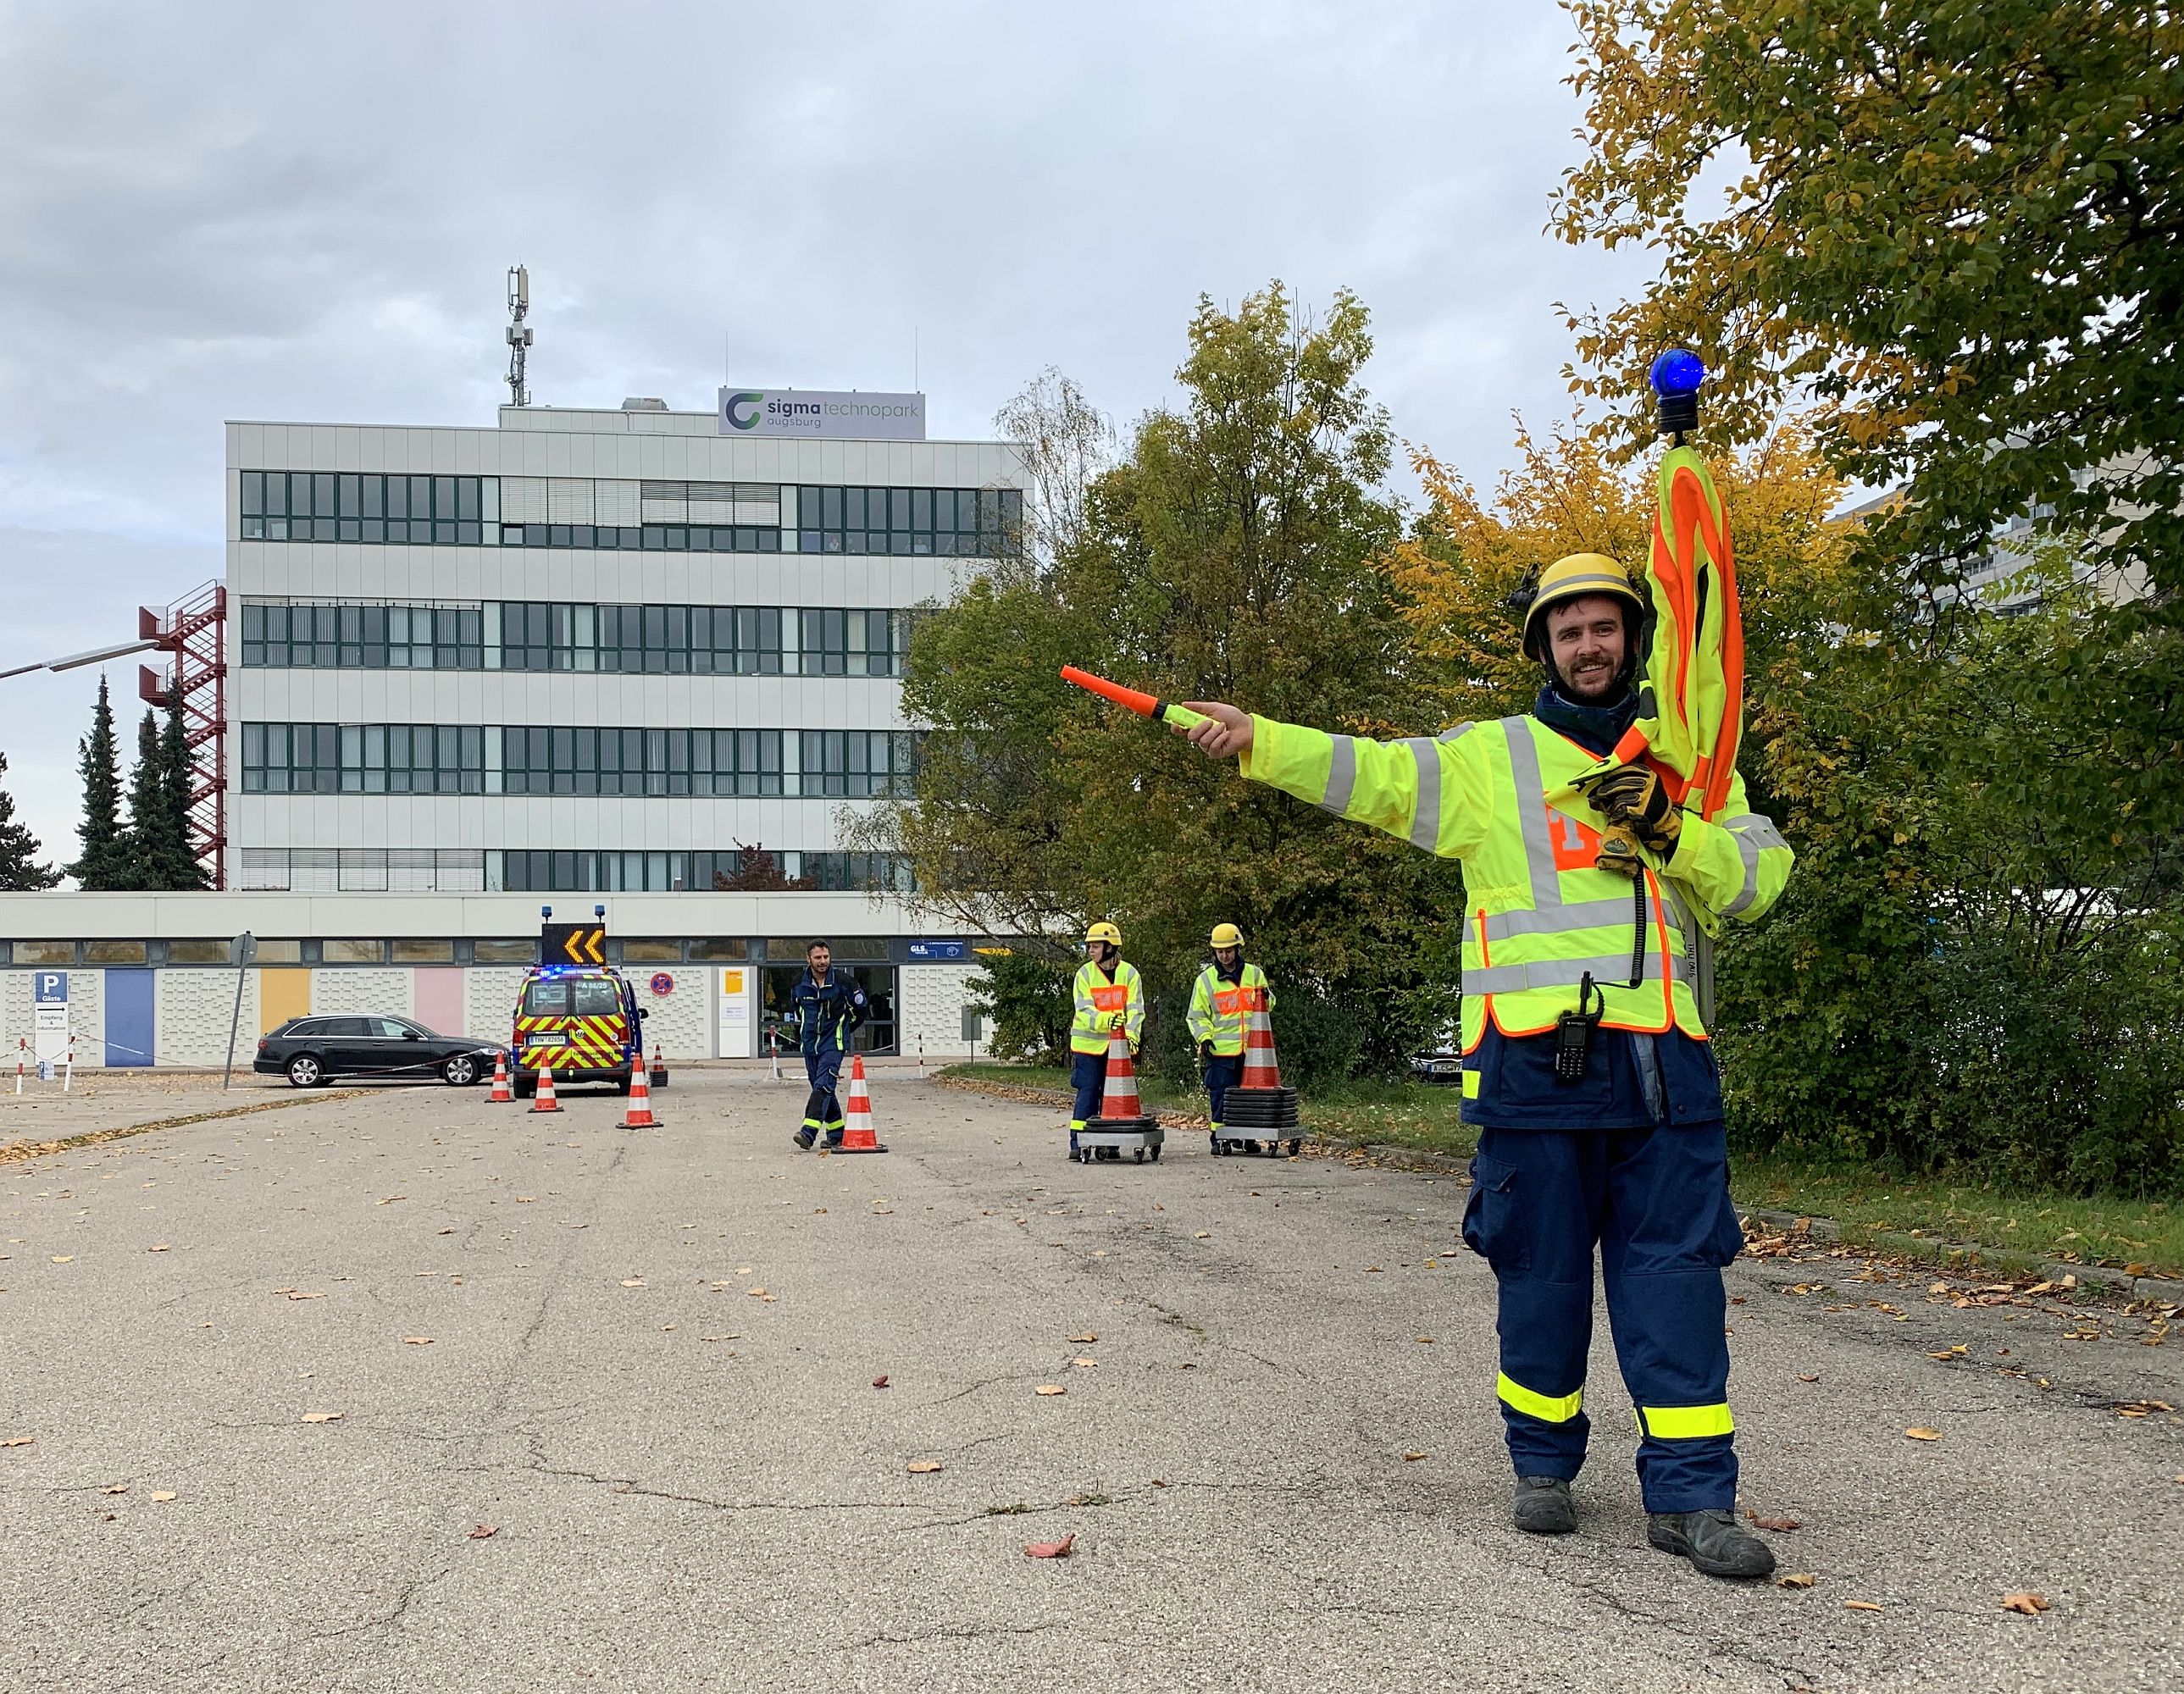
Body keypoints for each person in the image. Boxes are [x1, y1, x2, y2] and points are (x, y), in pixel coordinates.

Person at [1172, 551, 1794, 1580]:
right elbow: (1367, 771)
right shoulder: (1486, 759)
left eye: (1603, 627)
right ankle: (1542, 1465)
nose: (1587, 645)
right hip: (1533, 1068)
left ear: (1634, 638)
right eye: (1568, 631)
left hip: (1665, 1072)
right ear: (1543, 647)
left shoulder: (1695, 758)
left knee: (1674, 1281)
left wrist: (1672, 830)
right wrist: (1258, 738)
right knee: (1538, 1276)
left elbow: (1757, 881)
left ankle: (1693, 1494)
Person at [1186, 922, 1276, 1152]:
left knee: (1250, 1098)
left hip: (1252, 1052)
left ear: (1237, 949)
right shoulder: (1206, 981)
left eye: (1228, 950)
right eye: (1219, 951)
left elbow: (1270, 1005)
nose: (1224, 955)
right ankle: (1219, 1138)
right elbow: (1196, 1016)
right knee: (1221, 1096)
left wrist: (1266, 997)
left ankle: (1247, 1138)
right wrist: (1204, 1038)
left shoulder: (1255, 975)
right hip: (1221, 1051)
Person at [1067, 921, 1143, 1160]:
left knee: (1115, 1097)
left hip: (1117, 1049)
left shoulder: (1130, 973)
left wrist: (1131, 1036)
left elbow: (1136, 1010)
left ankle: (1110, 1143)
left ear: (1110, 947)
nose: (1090, 950)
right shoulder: (1085, 974)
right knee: (1088, 1093)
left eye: (1095, 946)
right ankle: (1078, 1143)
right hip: (1088, 1048)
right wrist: (1107, 1021)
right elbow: (1084, 1010)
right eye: (1089, 946)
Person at [790, 939, 867, 1150]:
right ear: (809, 959)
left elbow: (861, 1012)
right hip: (810, 1045)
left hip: (833, 1044)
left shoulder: (845, 983)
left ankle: (808, 1132)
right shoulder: (798, 984)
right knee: (822, 1087)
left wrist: (843, 1030)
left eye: (826, 957)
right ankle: (836, 1133)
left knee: (823, 1085)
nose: (823, 961)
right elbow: (799, 1012)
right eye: (818, 958)